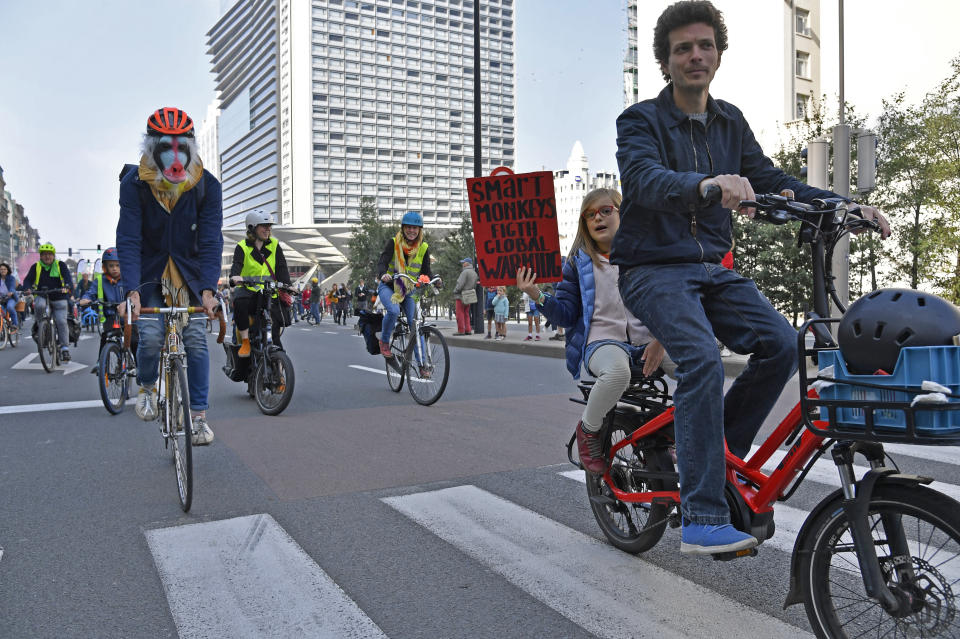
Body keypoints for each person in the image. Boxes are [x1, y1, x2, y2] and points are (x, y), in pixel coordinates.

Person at [612, 1, 890, 555]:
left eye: (705, 46)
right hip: (652, 269)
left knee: (783, 345)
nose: (696, 55)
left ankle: (712, 457)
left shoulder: (730, 120)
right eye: (683, 48)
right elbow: (643, 179)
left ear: (718, 54)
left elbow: (771, 181)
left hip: (712, 269)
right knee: (700, 358)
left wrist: (842, 205)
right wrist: (707, 186)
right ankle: (702, 514)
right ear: (666, 61)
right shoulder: (640, 120)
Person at [518, 187, 669, 470]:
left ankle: (682, 436)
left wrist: (661, 339)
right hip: (602, 343)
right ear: (585, 224)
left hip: (649, 342)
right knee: (617, 372)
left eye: (605, 210)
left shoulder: (646, 255)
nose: (597, 217)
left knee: (698, 362)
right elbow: (565, 314)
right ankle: (588, 430)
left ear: (622, 213)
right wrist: (536, 294)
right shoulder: (577, 263)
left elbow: (668, 300)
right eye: (590, 214)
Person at [117, 106, 223, 446]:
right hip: (149, 273)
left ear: (193, 147)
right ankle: (146, 386)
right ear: (150, 148)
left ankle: (199, 418)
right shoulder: (134, 184)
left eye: (182, 149)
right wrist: (131, 290)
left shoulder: (208, 186)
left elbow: (210, 241)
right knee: (148, 336)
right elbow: (129, 239)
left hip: (190, 275)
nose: (176, 159)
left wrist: (208, 290)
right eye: (166, 148)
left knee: (195, 341)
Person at [229, 210, 292, 354]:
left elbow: (281, 267)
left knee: (275, 338)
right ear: (252, 228)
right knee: (239, 303)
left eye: (269, 226)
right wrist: (235, 277)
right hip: (250, 295)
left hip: (269, 295)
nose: (268, 229)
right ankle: (245, 341)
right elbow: (237, 265)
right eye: (264, 226)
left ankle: (280, 373)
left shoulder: (274, 245)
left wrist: (289, 286)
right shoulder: (242, 247)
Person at [375, 211, 435, 360]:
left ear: (419, 230)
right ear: (403, 228)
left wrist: (435, 280)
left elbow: (426, 271)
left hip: (409, 290)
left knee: (415, 325)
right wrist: (383, 274)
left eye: (415, 228)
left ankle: (422, 364)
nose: (412, 231)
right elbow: (382, 262)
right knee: (394, 311)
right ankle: (384, 341)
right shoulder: (393, 242)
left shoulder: (423, 247)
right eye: (408, 227)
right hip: (388, 287)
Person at [79, 247, 138, 372]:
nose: (115, 268)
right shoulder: (100, 280)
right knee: (106, 337)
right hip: (110, 316)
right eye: (111, 265)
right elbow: (90, 293)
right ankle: (101, 363)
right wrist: (85, 299)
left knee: (134, 339)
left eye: (118, 265)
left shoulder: (128, 279)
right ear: (105, 267)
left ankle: (138, 366)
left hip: (127, 316)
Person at [22, 243, 75, 362]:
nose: (47, 257)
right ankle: (42, 326)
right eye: (44, 254)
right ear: (40, 256)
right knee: (39, 305)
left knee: (61, 321)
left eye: (50, 254)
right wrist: (27, 288)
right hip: (42, 295)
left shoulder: (60, 265)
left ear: (53, 256)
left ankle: (65, 348)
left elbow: (67, 278)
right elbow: (28, 280)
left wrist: (66, 286)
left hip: (59, 296)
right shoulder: (36, 267)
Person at [453, 257, 478, 335]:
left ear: (467, 263)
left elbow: (460, 284)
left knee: (459, 313)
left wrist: (455, 290)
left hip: (461, 295)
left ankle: (461, 330)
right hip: (469, 296)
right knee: (466, 313)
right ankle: (468, 329)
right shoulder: (474, 273)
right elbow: (475, 285)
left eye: (464, 262)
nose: (462, 264)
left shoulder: (465, 272)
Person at [0, 262, 19, 333]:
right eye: (1, 269)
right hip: (1, 299)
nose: (3, 271)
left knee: (10, 307)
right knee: (1, 313)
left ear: (7, 270)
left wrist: (10, 292)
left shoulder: (11, 278)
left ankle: (15, 325)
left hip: (11, 298)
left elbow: (12, 286)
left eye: (4, 269)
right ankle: (3, 329)